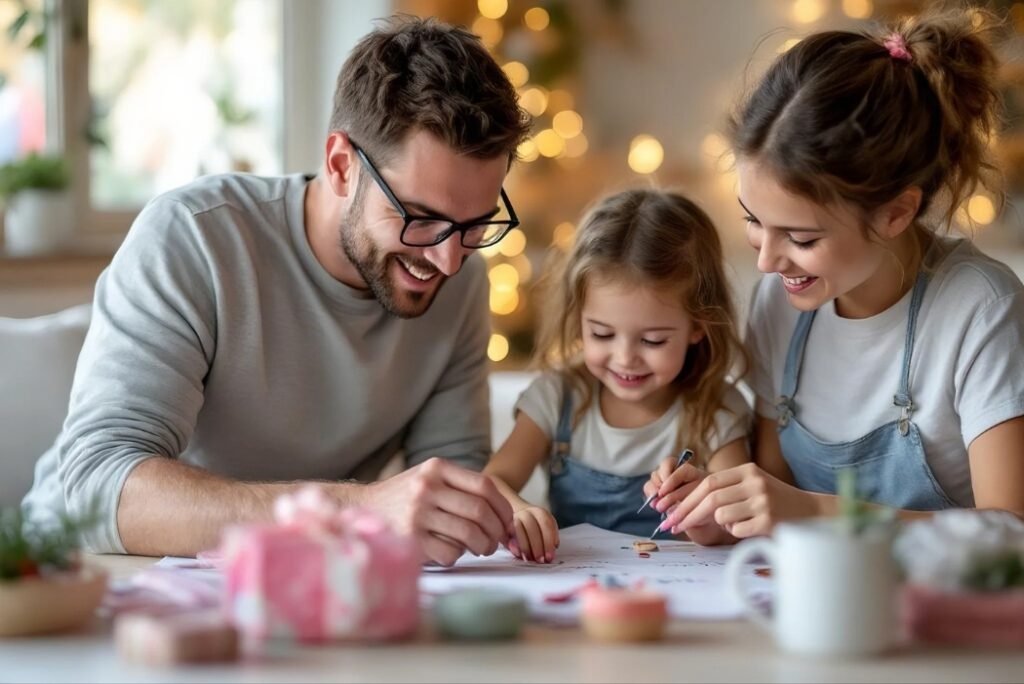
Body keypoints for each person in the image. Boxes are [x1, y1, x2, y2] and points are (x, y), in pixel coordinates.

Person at [22, 16, 532, 565]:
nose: (448, 258)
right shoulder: (195, 236)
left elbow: (452, 482)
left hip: (288, 581)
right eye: (422, 218)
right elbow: (97, 487)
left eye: (475, 225)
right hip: (84, 574)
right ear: (341, 165)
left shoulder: (459, 282)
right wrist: (352, 510)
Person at [660, 7, 1024, 540]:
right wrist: (724, 510)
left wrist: (812, 512)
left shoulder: (980, 310)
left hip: (945, 613)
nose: (767, 261)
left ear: (895, 212)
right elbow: (775, 491)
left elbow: (1011, 532)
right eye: (753, 221)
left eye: (803, 239)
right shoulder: (779, 302)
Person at [484, 189, 751, 562]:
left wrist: (704, 511)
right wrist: (517, 509)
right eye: (602, 334)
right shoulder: (555, 398)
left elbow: (738, 520)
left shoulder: (716, 409)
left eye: (653, 340)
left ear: (698, 326)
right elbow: (493, 482)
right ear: (578, 318)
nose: (625, 358)